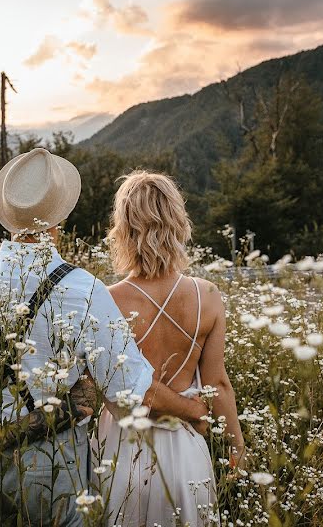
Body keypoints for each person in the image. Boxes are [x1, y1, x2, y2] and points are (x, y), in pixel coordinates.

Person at [0, 149, 207, 526]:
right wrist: (194, 410)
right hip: (57, 463)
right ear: (60, 218)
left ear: (7, 217)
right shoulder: (83, 289)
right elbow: (132, 390)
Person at [94, 170, 245, 527]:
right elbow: (218, 384)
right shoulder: (206, 296)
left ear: (123, 229)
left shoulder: (105, 299)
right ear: (178, 223)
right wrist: (237, 447)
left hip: (121, 452)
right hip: (185, 451)